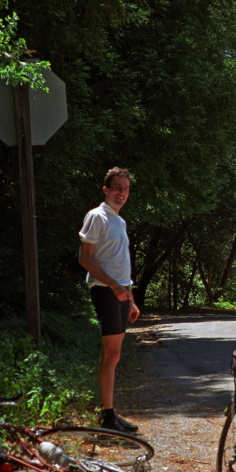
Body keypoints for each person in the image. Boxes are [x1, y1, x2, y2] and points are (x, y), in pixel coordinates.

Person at [79, 166, 141, 433]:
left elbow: (120, 262)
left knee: (115, 355)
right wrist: (115, 286)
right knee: (110, 354)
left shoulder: (119, 220)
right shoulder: (97, 216)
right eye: (117, 187)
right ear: (106, 189)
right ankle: (107, 416)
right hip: (105, 290)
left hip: (120, 292)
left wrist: (131, 298)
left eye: (126, 188)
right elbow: (85, 258)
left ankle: (110, 414)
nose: (122, 192)